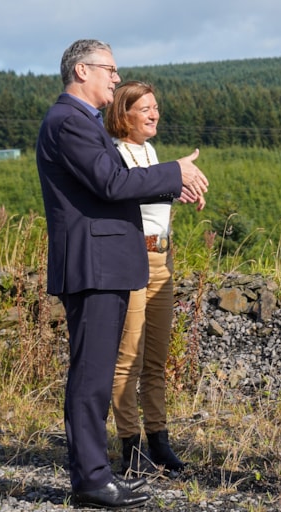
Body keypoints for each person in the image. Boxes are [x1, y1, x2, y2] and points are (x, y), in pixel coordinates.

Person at [36, 39, 208, 509]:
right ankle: (91, 478)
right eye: (110, 70)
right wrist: (175, 172)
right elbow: (112, 184)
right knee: (93, 374)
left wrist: (173, 185)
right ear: (81, 71)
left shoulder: (81, 123)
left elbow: (117, 187)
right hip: (93, 265)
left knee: (93, 372)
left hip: (104, 263)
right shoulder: (69, 122)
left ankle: (95, 472)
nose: (115, 77)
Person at [105, 81, 196, 477]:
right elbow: (127, 193)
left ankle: (159, 439)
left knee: (156, 359)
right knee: (129, 358)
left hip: (162, 257)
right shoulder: (114, 153)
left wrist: (181, 189)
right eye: (145, 109)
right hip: (132, 257)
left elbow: (153, 193)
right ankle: (130, 446)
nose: (154, 114)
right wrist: (173, 177)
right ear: (123, 114)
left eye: (156, 107)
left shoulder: (149, 151)